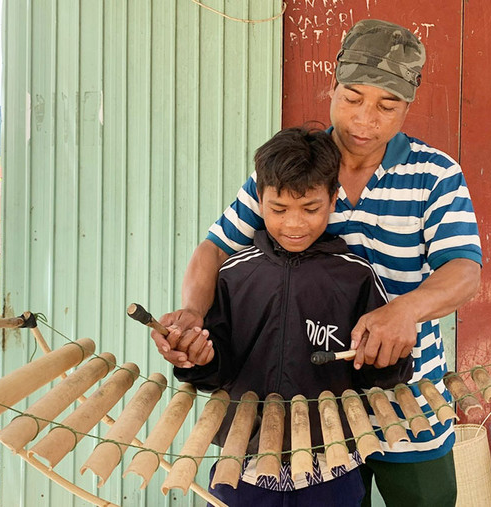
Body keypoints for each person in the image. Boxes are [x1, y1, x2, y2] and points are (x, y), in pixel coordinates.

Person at [155, 19, 482, 507]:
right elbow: (215, 248)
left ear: (408, 106)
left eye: (386, 106)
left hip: (406, 396)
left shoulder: (434, 174)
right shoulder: (296, 166)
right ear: (330, 86)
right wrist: (194, 316)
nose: (365, 120)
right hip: (308, 405)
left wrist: (404, 311)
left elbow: (464, 272)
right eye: (352, 98)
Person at [174, 125, 412, 505]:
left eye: (311, 208)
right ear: (259, 201)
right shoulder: (234, 275)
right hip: (244, 464)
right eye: (279, 209)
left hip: (333, 465)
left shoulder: (355, 276)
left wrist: (386, 357)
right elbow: (213, 370)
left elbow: (378, 373)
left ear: (333, 200)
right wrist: (196, 359)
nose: (294, 223)